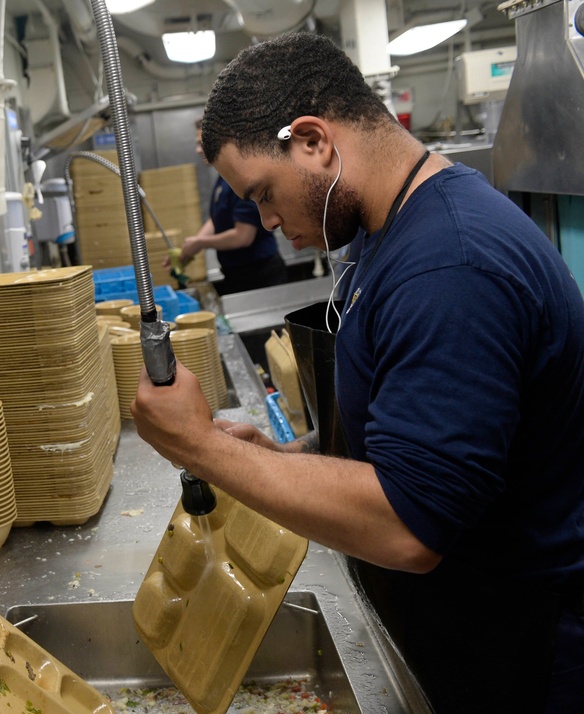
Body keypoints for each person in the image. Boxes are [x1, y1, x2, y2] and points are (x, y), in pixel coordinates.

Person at [132, 32, 584, 713]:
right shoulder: (390, 230)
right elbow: (423, 431)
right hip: (461, 624)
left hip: (520, 649)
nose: (268, 220)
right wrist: (295, 457)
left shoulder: (451, 267)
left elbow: (410, 525)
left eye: (263, 192)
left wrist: (199, 447)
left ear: (312, 140)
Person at [164, 118, 287, 295]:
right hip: (236, 273)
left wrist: (200, 243)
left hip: (258, 275)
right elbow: (217, 219)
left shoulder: (242, 180)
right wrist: (189, 250)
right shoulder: (224, 179)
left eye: (201, 144)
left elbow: (243, 236)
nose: (197, 150)